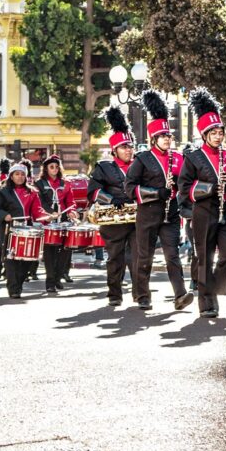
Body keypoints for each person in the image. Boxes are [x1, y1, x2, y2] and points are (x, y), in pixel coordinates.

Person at [125, 91, 193, 312]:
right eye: (162, 135)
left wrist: (180, 193)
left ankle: (180, 294)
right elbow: (129, 187)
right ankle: (143, 295)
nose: (167, 138)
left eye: (168, 135)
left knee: (172, 255)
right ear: (153, 139)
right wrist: (156, 193)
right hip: (148, 213)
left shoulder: (179, 158)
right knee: (144, 256)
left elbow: (186, 183)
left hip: (171, 213)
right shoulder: (143, 159)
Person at [179, 89, 226, 318]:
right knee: (205, 257)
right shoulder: (193, 157)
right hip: (203, 211)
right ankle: (206, 302)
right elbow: (184, 186)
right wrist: (209, 188)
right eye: (213, 133)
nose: (218, 136)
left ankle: (213, 289)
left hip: (225, 209)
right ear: (205, 134)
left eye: (220, 132)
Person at [88, 107, 141, 307]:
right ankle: (114, 294)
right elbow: (93, 192)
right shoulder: (103, 167)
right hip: (114, 219)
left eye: (130, 146)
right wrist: (111, 199)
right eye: (124, 146)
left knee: (137, 257)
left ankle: (140, 295)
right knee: (115, 258)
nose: (128, 150)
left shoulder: (141, 164)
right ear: (115, 150)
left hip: (137, 219)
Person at [0, 162, 51, 299]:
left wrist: (47, 217)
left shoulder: (32, 192)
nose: (20, 177)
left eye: (23, 174)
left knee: (27, 261)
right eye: (17, 174)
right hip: (8, 229)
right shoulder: (2, 191)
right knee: (11, 260)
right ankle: (14, 289)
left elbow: (37, 211)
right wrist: (5, 215)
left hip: (26, 229)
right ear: (11, 176)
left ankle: (18, 284)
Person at [34, 154, 79, 295]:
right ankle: (50, 282)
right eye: (51, 167)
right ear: (46, 169)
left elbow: (71, 201)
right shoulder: (39, 184)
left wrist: (71, 211)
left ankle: (58, 277)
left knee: (65, 251)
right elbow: (39, 202)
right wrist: (50, 213)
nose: (54, 169)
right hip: (48, 221)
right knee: (49, 253)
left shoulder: (66, 183)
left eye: (56, 167)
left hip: (64, 221)